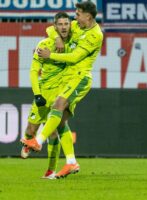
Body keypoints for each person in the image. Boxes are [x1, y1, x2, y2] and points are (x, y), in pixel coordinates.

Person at [21, 1, 103, 179]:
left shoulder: (95, 35)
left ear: (88, 16)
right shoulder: (77, 25)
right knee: (59, 122)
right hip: (69, 79)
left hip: (80, 77)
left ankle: (38, 141)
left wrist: (51, 55)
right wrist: (57, 38)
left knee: (58, 105)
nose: (75, 17)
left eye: (78, 13)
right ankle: (71, 162)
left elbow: (74, 57)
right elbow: (54, 28)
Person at [20, 12, 73, 179]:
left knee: (54, 131)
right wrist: (37, 94)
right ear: (55, 26)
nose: (64, 27)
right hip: (44, 94)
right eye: (61, 24)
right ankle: (29, 140)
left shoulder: (74, 43)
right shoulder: (44, 44)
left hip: (62, 94)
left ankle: (51, 170)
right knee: (30, 130)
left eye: (67, 24)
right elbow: (34, 71)